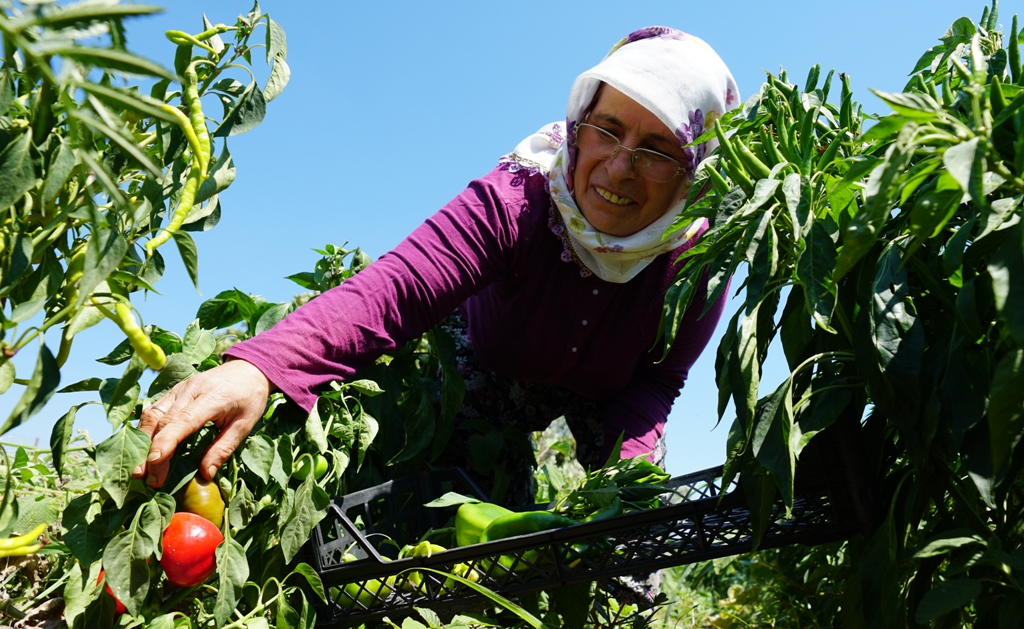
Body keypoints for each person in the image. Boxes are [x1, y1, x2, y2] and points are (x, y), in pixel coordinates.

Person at [135, 27, 739, 507]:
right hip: (488, 366)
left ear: (695, 169)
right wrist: (261, 367)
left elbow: (658, 379)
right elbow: (398, 287)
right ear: (580, 122)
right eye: (606, 130)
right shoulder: (522, 196)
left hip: (608, 396)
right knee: (470, 496)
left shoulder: (700, 259)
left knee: (633, 518)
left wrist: (623, 487)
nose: (618, 167)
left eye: (658, 151)